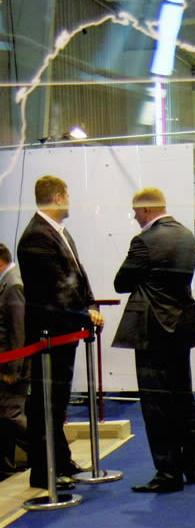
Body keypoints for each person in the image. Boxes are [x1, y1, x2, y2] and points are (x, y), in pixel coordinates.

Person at [113, 187, 195, 494]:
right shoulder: (186, 235)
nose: (135, 217)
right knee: (183, 398)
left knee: (156, 405)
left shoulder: (144, 241)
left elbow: (121, 282)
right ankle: (193, 467)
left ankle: (167, 473)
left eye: (136, 211)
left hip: (152, 331)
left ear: (148, 210)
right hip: (181, 327)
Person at [17, 175, 104, 491]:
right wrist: (84, 313)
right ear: (57, 197)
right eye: (67, 195)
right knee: (46, 405)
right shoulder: (37, 237)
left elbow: (77, 276)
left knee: (57, 403)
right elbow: (56, 288)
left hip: (64, 331)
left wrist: (90, 305)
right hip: (49, 333)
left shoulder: (58, 233)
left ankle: (61, 461)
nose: (69, 201)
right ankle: (45, 472)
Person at [0, 244, 28, 479]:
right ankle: (6, 466)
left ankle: (48, 455)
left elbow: (18, 331)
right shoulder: (8, 282)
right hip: (6, 363)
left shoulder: (13, 285)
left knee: (11, 415)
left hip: (11, 365)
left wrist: (13, 369)